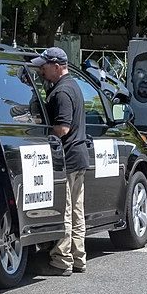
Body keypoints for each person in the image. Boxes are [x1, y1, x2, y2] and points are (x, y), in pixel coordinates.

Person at [32, 47, 89, 276]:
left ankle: (62, 260)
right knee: (76, 211)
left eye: (44, 67)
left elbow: (63, 128)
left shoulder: (62, 92)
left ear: (57, 66)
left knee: (65, 210)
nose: (42, 71)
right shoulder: (73, 86)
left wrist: (44, 132)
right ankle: (79, 258)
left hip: (67, 158)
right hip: (79, 157)